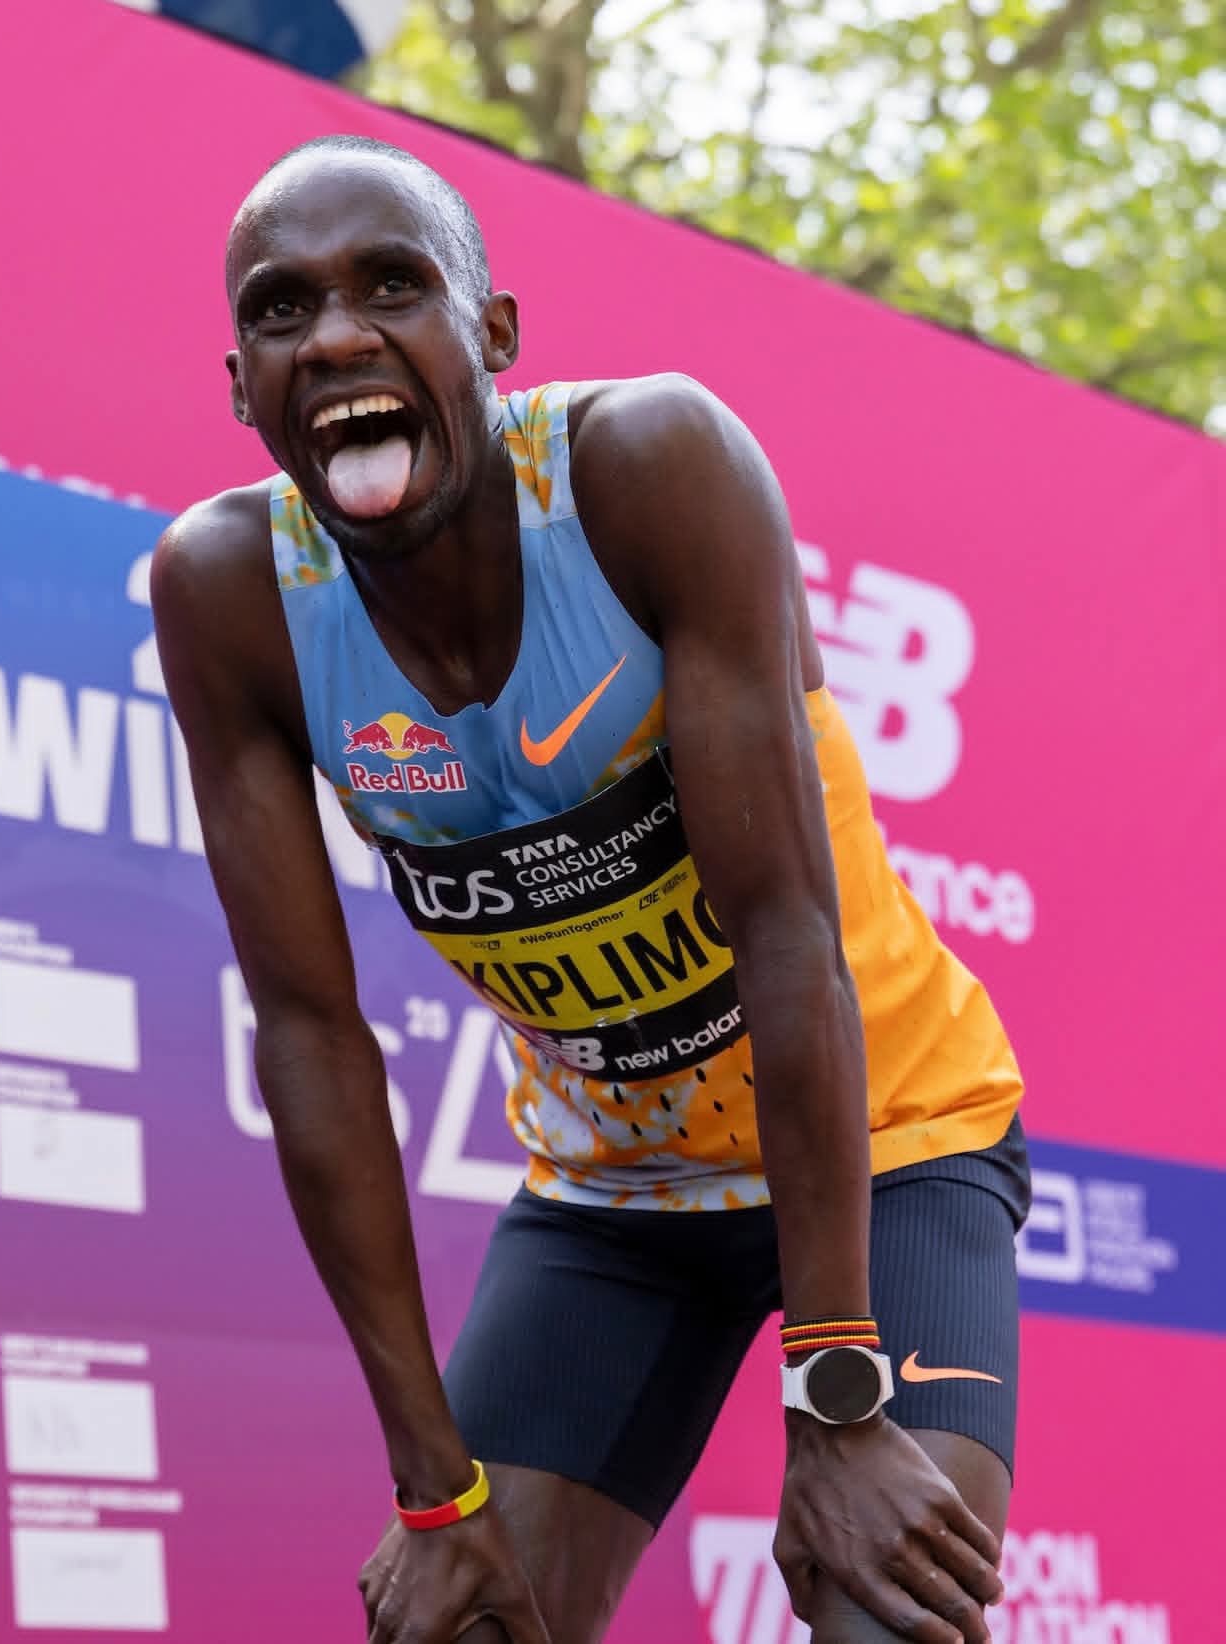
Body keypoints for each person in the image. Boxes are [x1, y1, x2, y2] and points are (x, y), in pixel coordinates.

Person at [152, 133, 1030, 1644]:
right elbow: (309, 1036)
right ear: (242, 388)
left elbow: (785, 936)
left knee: (882, 1610)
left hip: (890, 1137)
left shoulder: (647, 467)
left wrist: (836, 1399)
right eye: (283, 310)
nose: (339, 336)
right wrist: (435, 1494)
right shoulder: (231, 591)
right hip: (614, 1197)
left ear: (493, 334)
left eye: (393, 286)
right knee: (461, 1624)